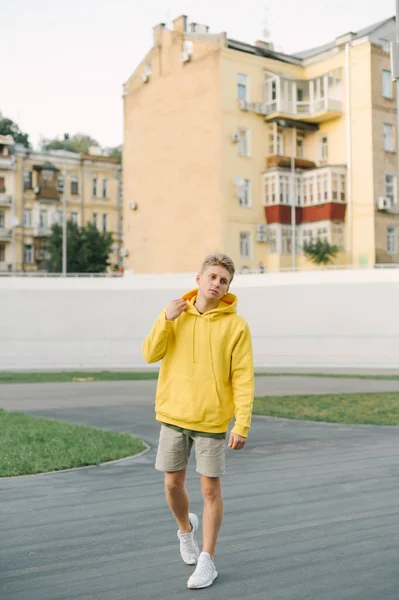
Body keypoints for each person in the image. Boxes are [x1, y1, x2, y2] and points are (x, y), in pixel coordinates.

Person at [142, 252, 254, 590]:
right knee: (172, 486)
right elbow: (149, 354)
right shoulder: (175, 315)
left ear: (228, 287)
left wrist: (242, 423)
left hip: (211, 421)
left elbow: (243, 378)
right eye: (213, 277)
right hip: (174, 413)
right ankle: (185, 531)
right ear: (199, 280)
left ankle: (207, 560)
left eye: (224, 280)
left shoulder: (236, 326)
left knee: (210, 490)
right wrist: (165, 318)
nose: (217, 284)